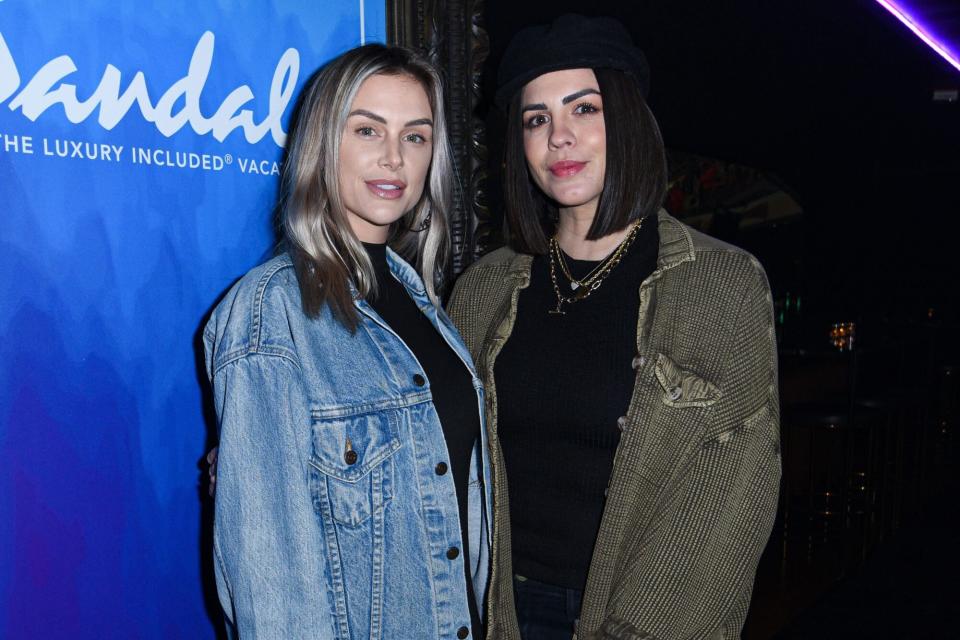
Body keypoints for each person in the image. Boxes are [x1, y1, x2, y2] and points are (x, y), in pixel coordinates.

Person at [446, 14, 781, 640]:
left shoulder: (721, 285)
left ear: (627, 120)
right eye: (536, 119)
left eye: (585, 109)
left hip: (641, 619)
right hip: (493, 611)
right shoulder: (485, 288)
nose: (559, 138)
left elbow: (730, 503)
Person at [202, 44, 490, 639]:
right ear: (322, 143)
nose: (394, 158)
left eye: (415, 136)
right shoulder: (270, 313)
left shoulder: (422, 301)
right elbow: (271, 591)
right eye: (367, 130)